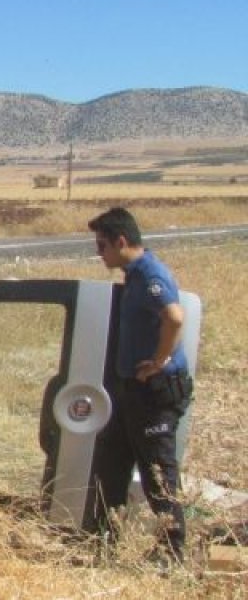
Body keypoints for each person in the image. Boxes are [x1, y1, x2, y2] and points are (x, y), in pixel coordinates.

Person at [89, 207, 193, 566]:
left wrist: (160, 360)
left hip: (155, 394)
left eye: (102, 245)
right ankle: (103, 542)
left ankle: (172, 553)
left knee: (158, 477)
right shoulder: (132, 275)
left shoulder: (150, 274)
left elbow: (175, 317)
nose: (99, 253)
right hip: (131, 394)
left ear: (121, 241)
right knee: (112, 465)